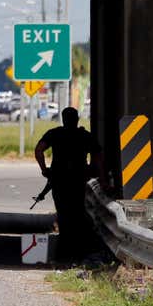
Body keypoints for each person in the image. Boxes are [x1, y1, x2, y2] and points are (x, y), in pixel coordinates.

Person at [34, 107, 103, 263]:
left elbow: (39, 150)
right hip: (78, 180)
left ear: (63, 119)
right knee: (77, 213)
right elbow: (98, 156)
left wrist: (45, 170)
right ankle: (77, 250)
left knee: (63, 213)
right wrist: (96, 173)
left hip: (59, 181)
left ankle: (64, 250)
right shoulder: (84, 136)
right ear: (77, 119)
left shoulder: (54, 134)